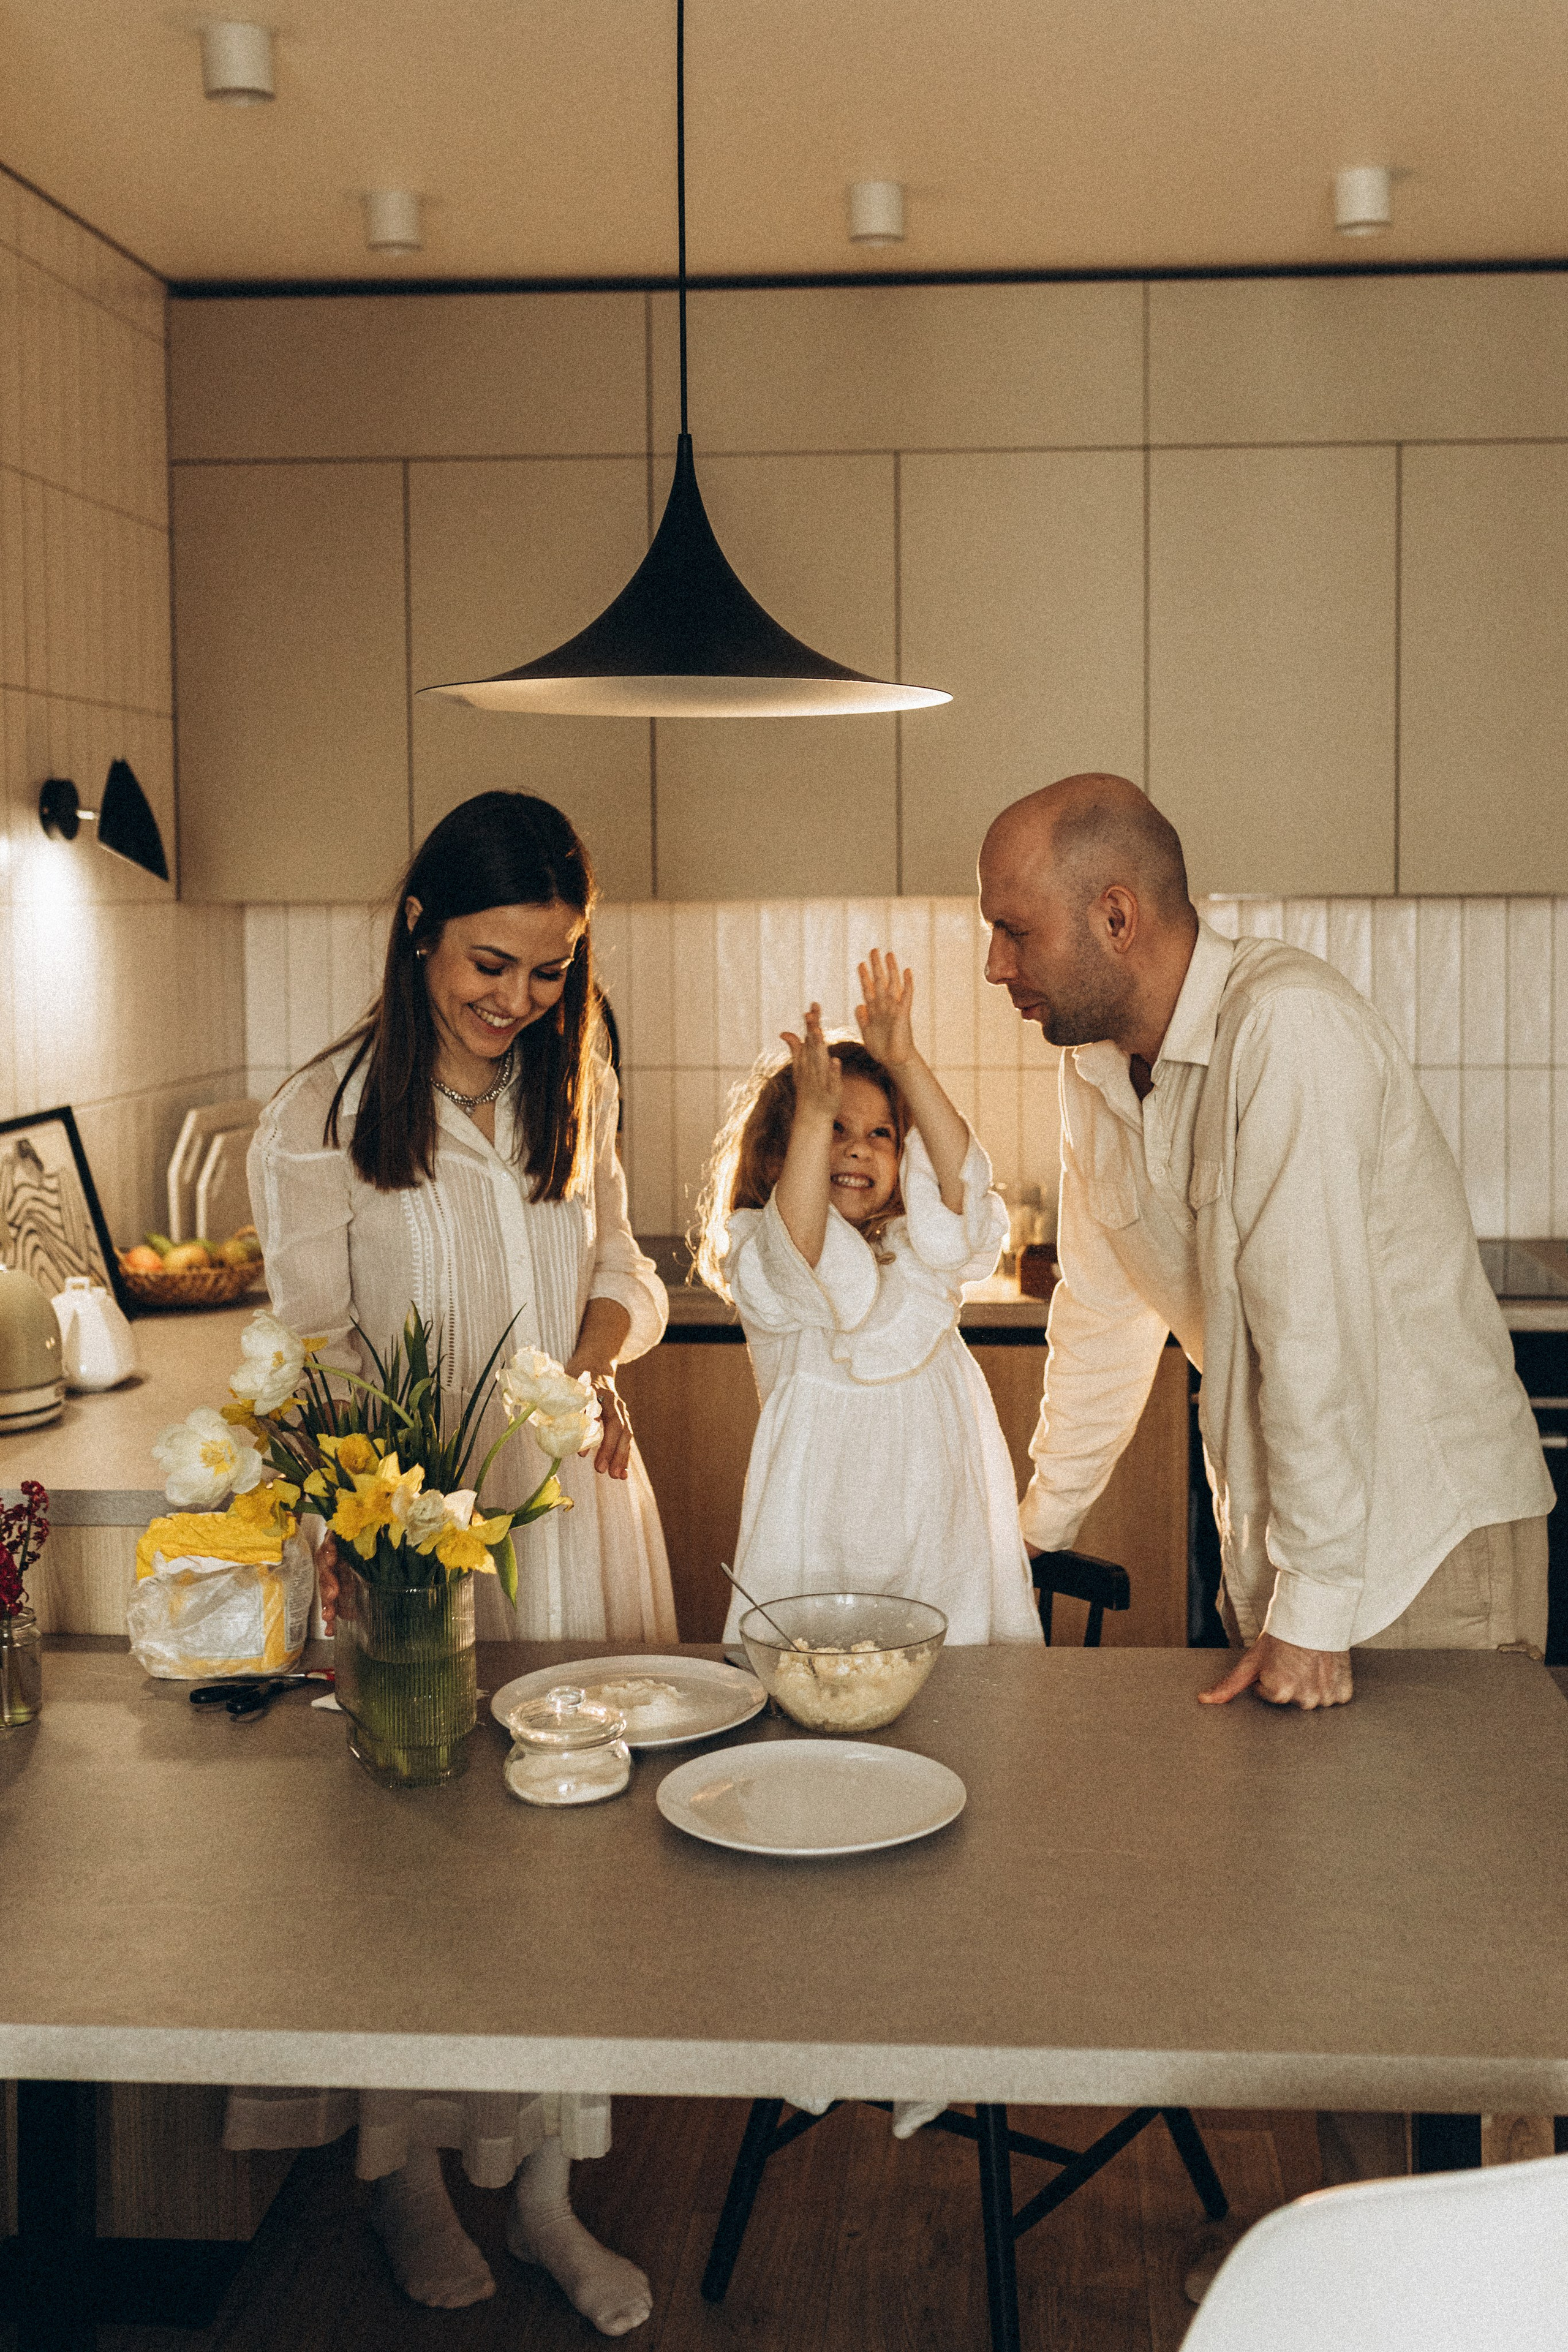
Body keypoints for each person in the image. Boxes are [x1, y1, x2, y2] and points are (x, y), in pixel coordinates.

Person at [978, 772, 1553, 2266]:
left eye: (1013, 929)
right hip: (1308, 1552)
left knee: (1462, 1991)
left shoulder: (1283, 1029)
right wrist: (1028, 1531)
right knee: (1339, 1966)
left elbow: (1312, 1333)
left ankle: (1491, 2302)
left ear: (1115, 914)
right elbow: (1103, 1313)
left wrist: (1308, 1610)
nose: (992, 962)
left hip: (1420, 1552)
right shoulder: (1096, 1068)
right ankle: (1358, 2286)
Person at [225, 790, 675, 2338]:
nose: (518, 999)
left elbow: (623, 1267)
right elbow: (311, 1348)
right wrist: (364, 1529)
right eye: (492, 963)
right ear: (419, 925)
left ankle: (545, 2191)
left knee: (565, 1858)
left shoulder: (574, 1079)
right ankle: (404, 2171)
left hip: (570, 1520)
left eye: (549, 971)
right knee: (417, 1871)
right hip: (411, 1546)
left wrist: (592, 1362)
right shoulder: (321, 1114)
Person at [695, 950, 1042, 1648]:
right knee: (823, 1673)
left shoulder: (923, 1257)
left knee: (953, 1678)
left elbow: (964, 1189)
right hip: (819, 1537)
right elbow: (801, 1249)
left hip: (941, 1534)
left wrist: (905, 1062)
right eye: (835, 1129)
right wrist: (809, 1114)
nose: (858, 1149)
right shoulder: (765, 1257)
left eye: (880, 1134)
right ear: (778, 1157)